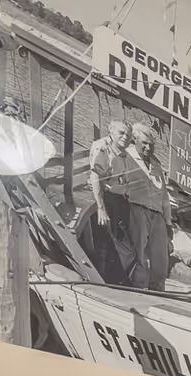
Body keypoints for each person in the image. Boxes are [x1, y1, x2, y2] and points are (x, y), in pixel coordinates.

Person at [76, 118, 137, 284]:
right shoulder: (102, 147)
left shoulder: (123, 149)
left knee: (121, 246)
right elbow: (95, 177)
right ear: (110, 129)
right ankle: (110, 283)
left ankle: (117, 282)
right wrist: (101, 208)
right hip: (108, 199)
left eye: (128, 135)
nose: (125, 137)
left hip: (121, 200)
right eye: (121, 133)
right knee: (110, 246)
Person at [117, 121, 172, 291]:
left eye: (151, 144)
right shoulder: (125, 156)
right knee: (138, 252)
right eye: (144, 143)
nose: (148, 147)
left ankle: (158, 289)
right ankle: (137, 288)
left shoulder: (156, 163)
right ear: (135, 141)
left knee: (161, 256)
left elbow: (164, 195)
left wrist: (168, 222)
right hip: (136, 209)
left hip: (158, 214)